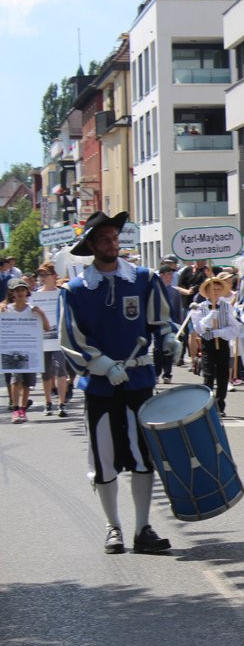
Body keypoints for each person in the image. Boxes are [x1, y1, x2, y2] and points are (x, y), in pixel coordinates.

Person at [59, 211, 181, 555]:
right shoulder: (76, 290)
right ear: (92, 246)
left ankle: (143, 529)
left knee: (144, 457)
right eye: (106, 240)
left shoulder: (143, 278)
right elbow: (71, 338)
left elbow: (159, 320)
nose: (113, 245)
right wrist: (100, 363)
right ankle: (113, 528)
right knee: (104, 458)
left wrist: (169, 337)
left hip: (140, 382)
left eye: (116, 238)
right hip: (100, 387)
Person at [192, 275, 244, 415]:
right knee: (208, 375)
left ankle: (220, 405)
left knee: (222, 376)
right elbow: (199, 328)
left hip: (222, 344)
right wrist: (210, 317)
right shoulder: (200, 307)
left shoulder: (226, 307)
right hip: (207, 345)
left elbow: (235, 328)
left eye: (218, 289)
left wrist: (220, 332)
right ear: (207, 291)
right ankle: (207, 406)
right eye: (212, 289)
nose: (215, 292)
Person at [2, 279, 49, 423]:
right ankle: (15, 409)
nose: (20, 293)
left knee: (27, 383)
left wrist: (41, 313)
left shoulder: (33, 309)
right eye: (17, 290)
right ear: (12, 293)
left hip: (30, 350)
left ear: (26, 292)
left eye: (22, 290)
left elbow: (47, 328)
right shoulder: (7, 309)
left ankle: (23, 409)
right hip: (13, 350)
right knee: (15, 379)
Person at [32, 264, 69, 417]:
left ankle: (62, 403)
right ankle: (48, 403)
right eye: (40, 275)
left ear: (54, 276)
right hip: (43, 339)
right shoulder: (35, 296)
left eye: (45, 275)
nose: (42, 278)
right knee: (46, 373)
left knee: (61, 370)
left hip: (59, 338)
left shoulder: (62, 294)